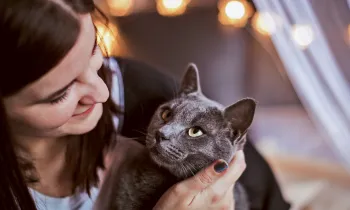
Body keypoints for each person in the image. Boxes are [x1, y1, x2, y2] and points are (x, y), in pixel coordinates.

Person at [0, 0, 290, 210]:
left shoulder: (143, 90)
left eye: (94, 53)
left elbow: (272, 200)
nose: (102, 92)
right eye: (61, 93)